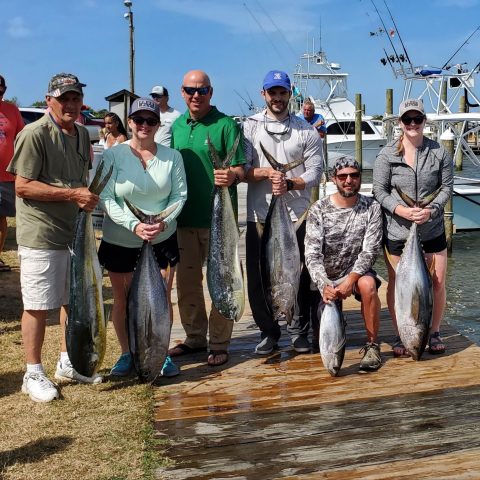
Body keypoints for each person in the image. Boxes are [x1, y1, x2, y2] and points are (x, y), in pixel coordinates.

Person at [7, 73, 102, 403]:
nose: (71, 105)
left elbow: (81, 181)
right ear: (49, 100)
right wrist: (73, 193)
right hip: (41, 234)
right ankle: (32, 371)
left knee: (69, 301)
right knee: (36, 305)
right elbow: (23, 186)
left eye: (76, 98)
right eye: (64, 99)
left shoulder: (81, 135)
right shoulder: (34, 133)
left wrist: (83, 196)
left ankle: (68, 362)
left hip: (73, 234)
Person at [98, 97, 187, 378]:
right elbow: (106, 197)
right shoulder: (113, 155)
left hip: (162, 238)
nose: (144, 125)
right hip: (121, 239)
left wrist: (163, 222)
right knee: (123, 300)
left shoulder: (172, 157)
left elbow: (179, 196)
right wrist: (133, 224)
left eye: (151, 120)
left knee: (162, 299)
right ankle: (127, 353)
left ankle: (160, 354)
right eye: (139, 120)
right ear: (130, 123)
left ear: (158, 124)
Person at [168, 70, 246, 367]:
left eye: (202, 90)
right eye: (190, 90)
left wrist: (231, 176)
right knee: (187, 284)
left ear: (211, 92)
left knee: (223, 280)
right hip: (184, 219)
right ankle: (195, 338)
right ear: (182, 92)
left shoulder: (226, 125)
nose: (196, 95)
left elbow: (241, 169)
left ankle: (219, 342)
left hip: (220, 223)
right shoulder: (176, 126)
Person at [243, 70, 323, 355]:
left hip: (297, 214)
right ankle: (268, 331)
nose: (277, 97)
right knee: (258, 275)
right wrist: (267, 173)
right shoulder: (249, 127)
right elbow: (243, 170)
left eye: (282, 92)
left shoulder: (306, 130)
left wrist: (290, 182)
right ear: (263, 94)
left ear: (290, 94)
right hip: (260, 215)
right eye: (272, 92)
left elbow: (316, 171)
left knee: (300, 274)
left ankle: (298, 331)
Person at [373, 98, 453, 356]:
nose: (413, 124)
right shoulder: (387, 155)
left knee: (438, 282)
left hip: (432, 229)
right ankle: (401, 333)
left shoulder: (439, 153)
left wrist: (432, 210)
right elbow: (379, 191)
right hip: (398, 231)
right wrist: (401, 210)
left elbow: (447, 188)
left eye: (417, 119)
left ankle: (434, 331)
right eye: (407, 119)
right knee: (398, 284)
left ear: (424, 121)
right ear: (400, 123)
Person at [305, 156, 383, 371]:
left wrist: (351, 280)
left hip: (355, 275)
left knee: (369, 286)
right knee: (317, 341)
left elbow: (370, 250)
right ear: (334, 179)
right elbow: (312, 254)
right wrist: (324, 285)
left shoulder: (372, 207)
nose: (348, 180)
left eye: (354, 175)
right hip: (325, 279)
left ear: (360, 178)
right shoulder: (318, 209)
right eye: (343, 176)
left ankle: (372, 345)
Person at [0, 74, 24, 271]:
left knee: (2, 218)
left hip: (6, 176)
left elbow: (21, 139)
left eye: (1, 88)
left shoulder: (12, 110)